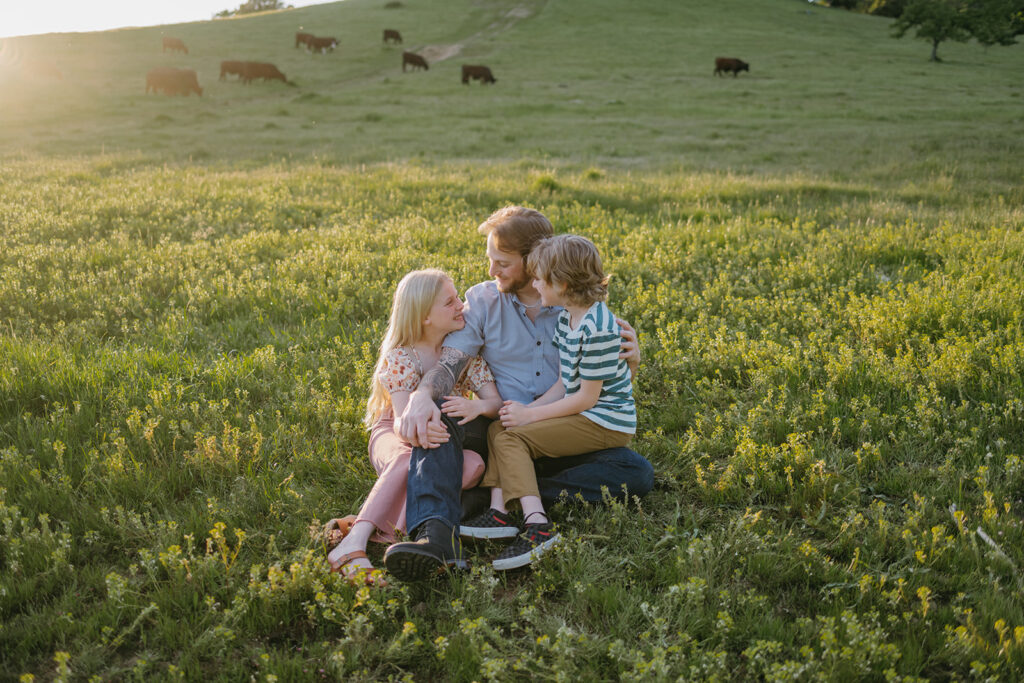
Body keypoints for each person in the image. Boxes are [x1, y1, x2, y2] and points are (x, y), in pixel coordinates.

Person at [382, 206, 654, 582]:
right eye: (490, 260)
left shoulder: (575, 306)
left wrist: (633, 362)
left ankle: (494, 497)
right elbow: (452, 363)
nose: (491, 271)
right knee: (443, 410)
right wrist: (423, 394)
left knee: (635, 473)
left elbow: (604, 386)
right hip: (499, 424)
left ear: (535, 262)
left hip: (561, 426)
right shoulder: (482, 301)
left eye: (502, 262)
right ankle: (435, 534)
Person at [464, 234, 636, 570]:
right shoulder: (568, 318)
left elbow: (586, 397)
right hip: (583, 411)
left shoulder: (598, 327)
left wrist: (531, 416)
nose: (536, 284)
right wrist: (527, 411)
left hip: (604, 421)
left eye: (540, 278)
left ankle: (537, 526)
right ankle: (499, 515)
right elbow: (563, 382)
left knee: (513, 434)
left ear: (562, 283)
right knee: (502, 425)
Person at [325, 269, 502, 584]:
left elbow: (495, 403)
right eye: (449, 302)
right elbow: (406, 426)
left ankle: (386, 531)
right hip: (394, 432)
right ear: (425, 318)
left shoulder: (463, 356)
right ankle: (354, 543)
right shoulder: (402, 358)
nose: (461, 305)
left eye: (458, 297)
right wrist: (433, 431)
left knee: (473, 464)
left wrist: (476, 406)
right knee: (408, 460)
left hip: (440, 440)